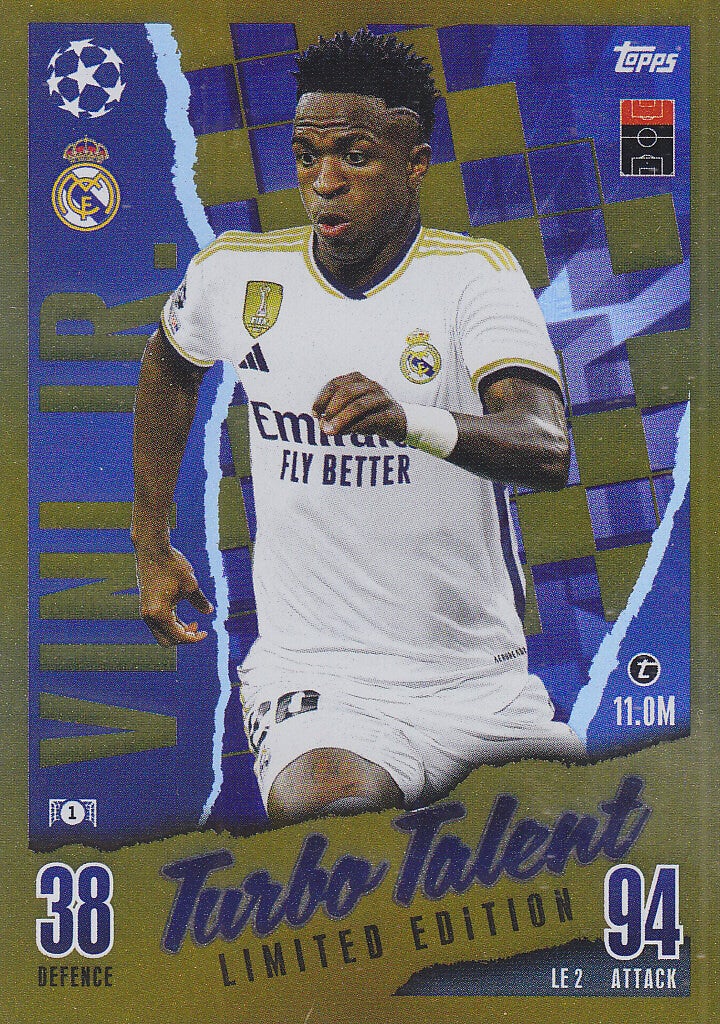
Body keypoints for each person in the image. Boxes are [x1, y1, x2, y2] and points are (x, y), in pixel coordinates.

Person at [132, 29, 584, 826]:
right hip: (318, 682)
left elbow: (545, 446)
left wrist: (411, 421)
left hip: (479, 686)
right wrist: (151, 539)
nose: (325, 182)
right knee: (335, 821)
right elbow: (170, 365)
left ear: (416, 162)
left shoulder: (475, 278)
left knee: (588, 846)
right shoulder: (236, 276)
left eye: (356, 156)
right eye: (306, 156)